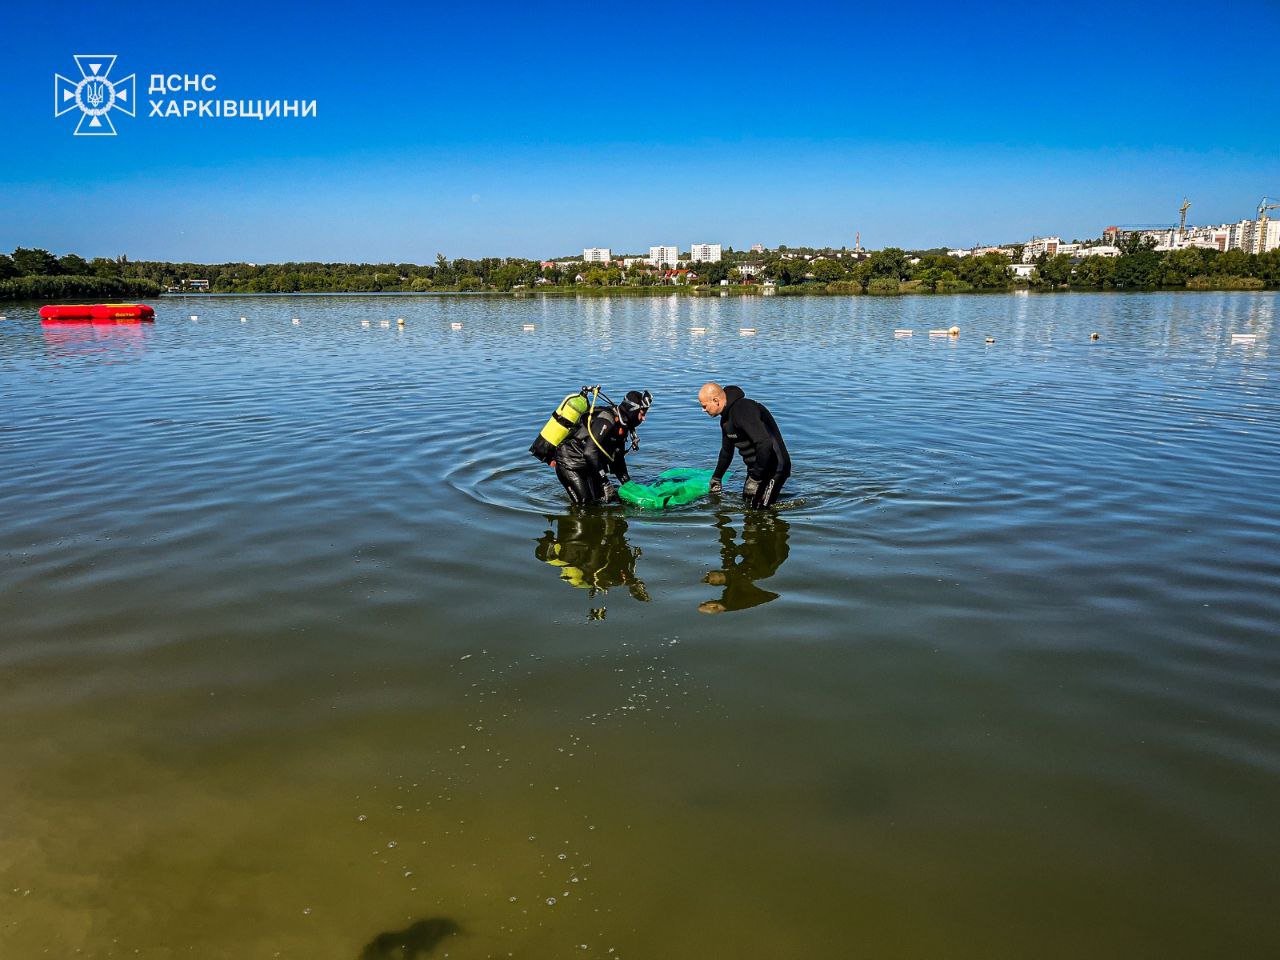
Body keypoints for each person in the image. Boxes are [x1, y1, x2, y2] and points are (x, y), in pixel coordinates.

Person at [698, 382, 790, 508]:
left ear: (716, 400)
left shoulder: (743, 408)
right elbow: (726, 452)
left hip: (775, 467)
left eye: (704, 406)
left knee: (759, 510)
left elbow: (764, 443)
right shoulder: (725, 421)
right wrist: (717, 478)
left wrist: (755, 478)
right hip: (756, 468)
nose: (703, 410)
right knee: (747, 505)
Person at [552, 389, 652, 506]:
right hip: (570, 464)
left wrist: (628, 485)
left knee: (603, 501)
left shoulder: (623, 426)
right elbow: (589, 452)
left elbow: (618, 460)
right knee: (585, 504)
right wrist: (605, 482)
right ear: (632, 411)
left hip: (590, 465)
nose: (644, 418)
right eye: (642, 413)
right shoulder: (606, 420)